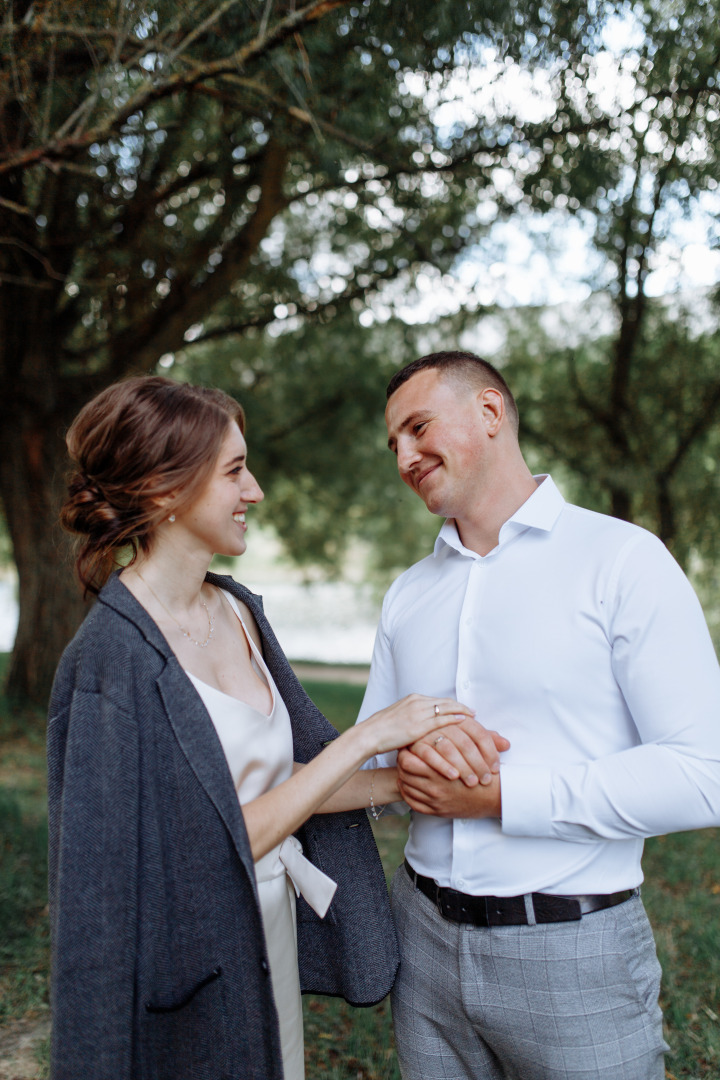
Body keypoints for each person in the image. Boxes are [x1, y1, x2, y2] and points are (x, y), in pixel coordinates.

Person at [47, 375, 475, 1080]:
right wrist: (368, 737)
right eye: (235, 471)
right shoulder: (108, 663)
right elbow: (189, 853)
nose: (257, 492)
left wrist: (407, 779)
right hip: (184, 967)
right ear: (163, 492)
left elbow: (291, 786)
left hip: (262, 937)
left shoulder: (239, 610)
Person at [357, 350, 720, 1080]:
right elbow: (374, 764)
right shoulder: (408, 594)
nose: (404, 454)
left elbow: (704, 772)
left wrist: (498, 796)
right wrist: (415, 756)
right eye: (393, 441)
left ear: (490, 412)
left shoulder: (622, 560)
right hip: (421, 944)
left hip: (573, 949)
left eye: (419, 427)